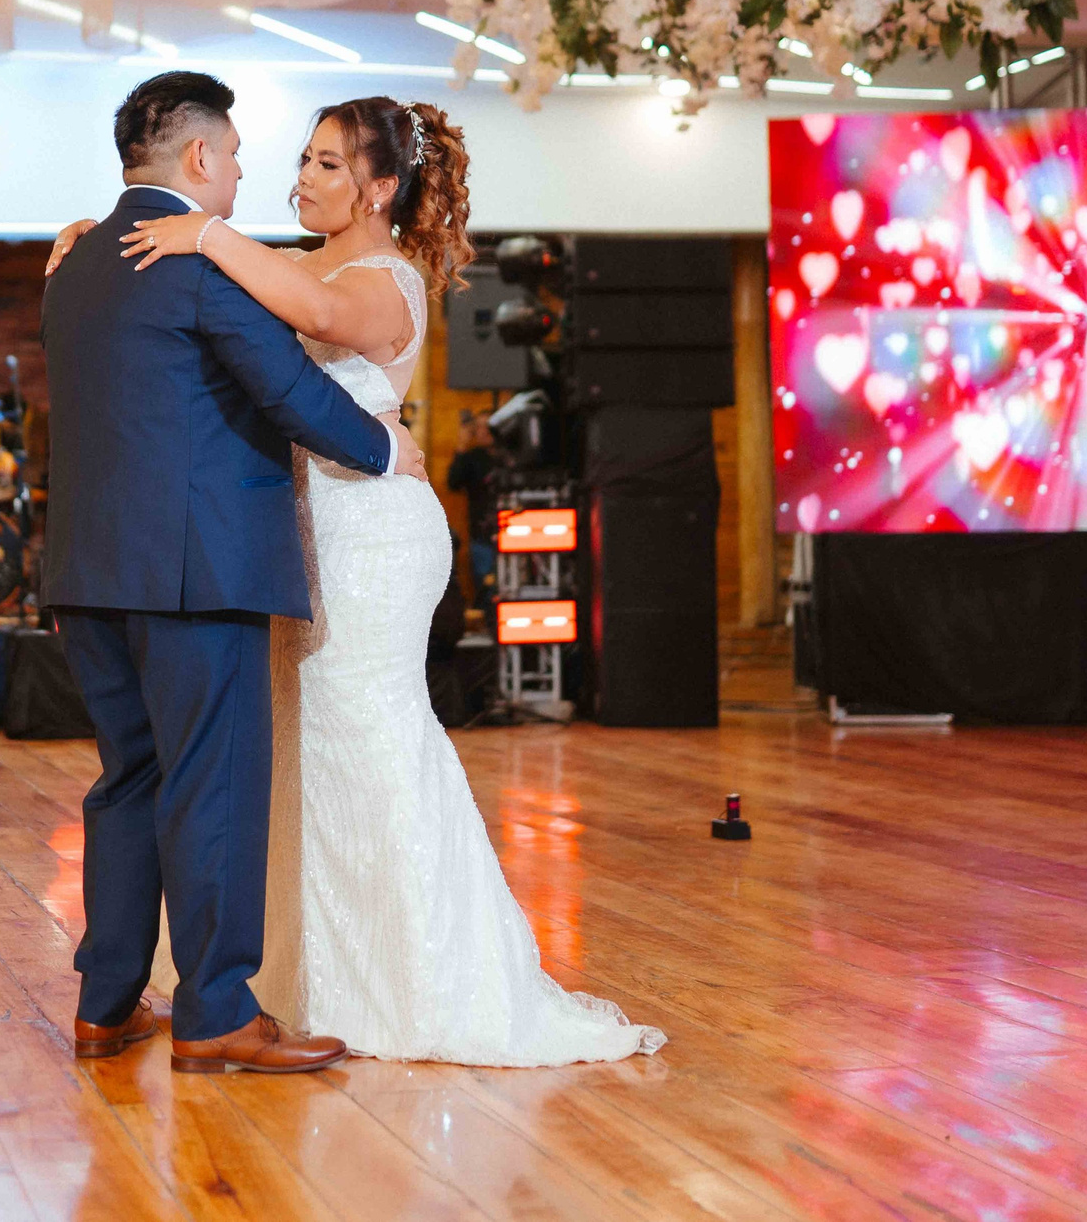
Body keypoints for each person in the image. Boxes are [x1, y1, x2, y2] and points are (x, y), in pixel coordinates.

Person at [50, 94, 663, 1067]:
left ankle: (403, 976)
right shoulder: (238, 263)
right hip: (259, 540)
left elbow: (315, 330)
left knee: (353, 740)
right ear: (202, 154)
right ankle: (242, 998)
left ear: (380, 187)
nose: (291, 176)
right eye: (294, 157)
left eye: (327, 164)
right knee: (252, 771)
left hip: (367, 535)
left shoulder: (370, 275)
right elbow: (276, 366)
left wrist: (191, 234)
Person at [39, 71, 427, 1078]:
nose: (253, 172)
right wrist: (388, 452)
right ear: (201, 159)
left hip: (86, 568)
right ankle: (215, 1011)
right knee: (211, 786)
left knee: (128, 782)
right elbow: (290, 388)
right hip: (193, 571)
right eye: (243, 153)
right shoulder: (203, 267)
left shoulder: (73, 262)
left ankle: (106, 1004)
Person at [446, 407, 504, 604]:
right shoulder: (472, 458)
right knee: (487, 591)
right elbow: (453, 482)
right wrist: (462, 443)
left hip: (511, 530)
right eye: (478, 427)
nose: (483, 431)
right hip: (481, 536)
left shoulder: (510, 456)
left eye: (488, 426)